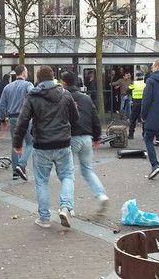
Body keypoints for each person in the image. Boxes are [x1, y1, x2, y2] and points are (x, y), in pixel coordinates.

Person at [13, 66, 78, 228]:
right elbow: (75, 117)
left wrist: (17, 144)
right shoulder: (65, 94)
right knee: (68, 176)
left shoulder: (33, 96)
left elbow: (22, 121)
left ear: (38, 79)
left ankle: (44, 218)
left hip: (42, 145)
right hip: (63, 143)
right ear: (53, 77)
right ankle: (66, 207)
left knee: (41, 181)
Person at [61, 71, 109, 213]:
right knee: (87, 169)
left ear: (63, 82)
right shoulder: (86, 98)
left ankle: (68, 207)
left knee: (67, 173)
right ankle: (101, 195)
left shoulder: (63, 97)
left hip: (70, 138)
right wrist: (96, 137)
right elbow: (95, 119)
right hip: (87, 138)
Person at [0, 65, 34, 180]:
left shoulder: (7, 87)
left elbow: (2, 106)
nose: (27, 73)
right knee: (30, 143)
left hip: (12, 118)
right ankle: (21, 165)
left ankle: (15, 173)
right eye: (26, 71)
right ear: (23, 73)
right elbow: (33, 94)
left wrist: (2, 120)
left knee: (15, 144)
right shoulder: (28, 85)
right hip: (25, 118)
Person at [127, 72, 146, 139]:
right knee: (143, 119)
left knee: (133, 119)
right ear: (143, 77)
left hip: (135, 103)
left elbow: (127, 91)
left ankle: (131, 135)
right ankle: (144, 135)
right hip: (143, 103)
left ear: (136, 77)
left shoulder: (134, 83)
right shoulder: (145, 84)